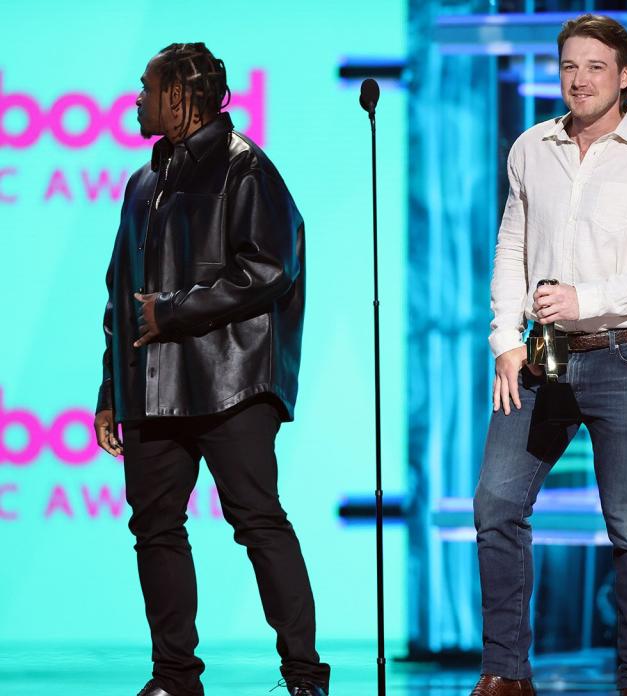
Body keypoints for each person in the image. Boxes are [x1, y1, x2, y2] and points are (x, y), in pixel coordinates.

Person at [471, 14, 627, 696]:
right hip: (538, 360)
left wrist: (587, 298)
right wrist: (504, 339)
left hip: (625, 355)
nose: (580, 78)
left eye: (596, 66)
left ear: (624, 75)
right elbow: (512, 246)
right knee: (496, 505)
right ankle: (505, 673)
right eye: (570, 65)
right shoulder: (532, 148)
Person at [93, 43, 329, 696]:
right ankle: (174, 677)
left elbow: (270, 267)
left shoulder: (245, 167)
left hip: (231, 382)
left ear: (182, 94)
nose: (137, 100)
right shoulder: (143, 183)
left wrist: (172, 310)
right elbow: (120, 295)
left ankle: (305, 677)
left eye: (147, 88)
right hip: (152, 387)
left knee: (257, 520)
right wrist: (112, 389)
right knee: (155, 528)